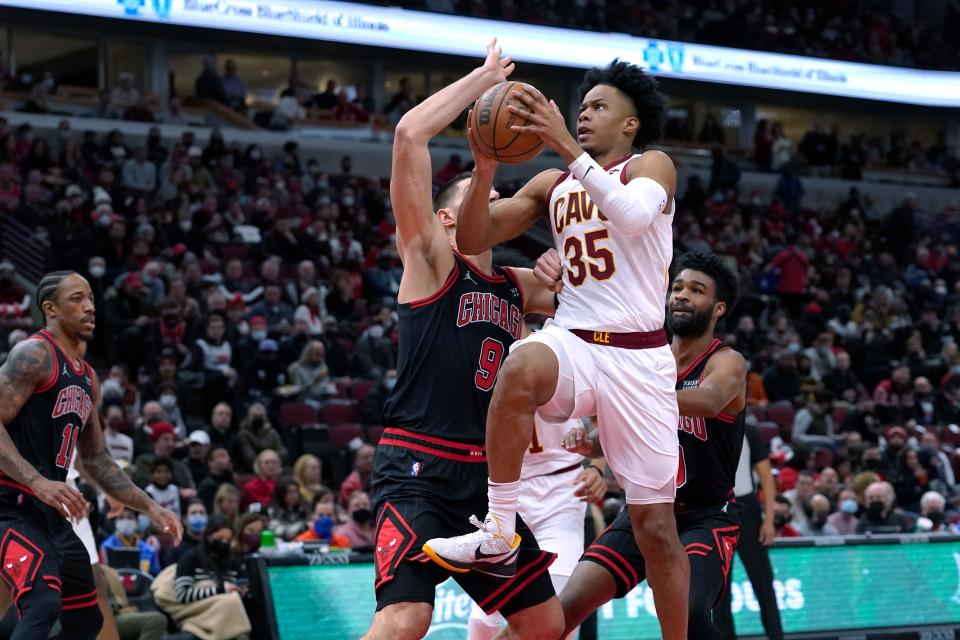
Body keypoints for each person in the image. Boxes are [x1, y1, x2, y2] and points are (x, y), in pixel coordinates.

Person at [428, 57, 686, 638]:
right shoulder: (554, 183)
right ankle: (498, 525)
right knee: (520, 365)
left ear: (630, 123)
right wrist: (486, 164)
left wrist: (569, 146)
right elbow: (473, 237)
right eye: (582, 107)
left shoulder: (651, 165)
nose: (583, 114)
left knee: (655, 532)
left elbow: (633, 214)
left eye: (598, 107)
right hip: (574, 338)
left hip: (639, 357)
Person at [363, 40, 563, 640]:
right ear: (449, 218)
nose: (496, 206)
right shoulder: (430, 260)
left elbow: (604, 300)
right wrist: (483, 82)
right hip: (418, 465)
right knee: (406, 619)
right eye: (486, 200)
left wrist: (563, 265)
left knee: (544, 623)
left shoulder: (516, 284)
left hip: (485, 482)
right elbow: (407, 136)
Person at [551, 251, 746, 639]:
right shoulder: (646, 357)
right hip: (644, 510)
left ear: (718, 307)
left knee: (687, 612)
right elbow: (610, 436)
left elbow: (707, 401)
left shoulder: (726, 362)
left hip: (705, 517)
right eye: (677, 287)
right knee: (558, 614)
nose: (682, 296)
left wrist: (625, 391)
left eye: (696, 290)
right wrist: (585, 442)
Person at [0, 271, 181, 639]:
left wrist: (149, 507)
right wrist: (38, 481)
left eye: (92, 299)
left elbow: (96, 459)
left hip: (51, 512)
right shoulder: (33, 355)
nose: (90, 307)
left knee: (86, 618)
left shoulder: (87, 378)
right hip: (10, 504)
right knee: (42, 604)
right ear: (50, 309)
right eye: (77, 299)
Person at [714, 421, 783, 640]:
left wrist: (769, 520)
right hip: (715, 512)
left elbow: (766, 478)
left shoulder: (749, 430)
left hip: (748, 513)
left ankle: (776, 636)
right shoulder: (704, 428)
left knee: (763, 584)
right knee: (720, 592)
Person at [100, 507, 162, 575]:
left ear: (136, 521)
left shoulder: (149, 551)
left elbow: (155, 578)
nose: (125, 521)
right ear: (116, 521)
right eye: (121, 517)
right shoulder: (106, 548)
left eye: (129, 517)